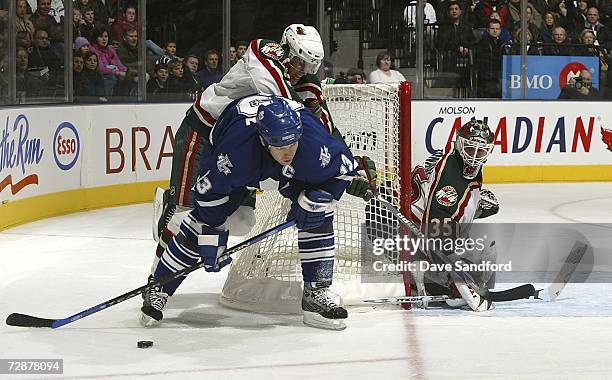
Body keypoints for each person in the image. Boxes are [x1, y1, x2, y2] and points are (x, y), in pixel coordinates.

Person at [148, 24, 375, 290]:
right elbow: (282, 100)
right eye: (299, 62)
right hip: (203, 133)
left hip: (248, 150)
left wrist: (348, 167)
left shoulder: (306, 86)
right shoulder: (263, 51)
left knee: (243, 221)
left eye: (310, 66)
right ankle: (156, 282)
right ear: (285, 50)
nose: (302, 71)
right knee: (185, 215)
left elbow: (324, 130)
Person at [141, 95, 356, 330]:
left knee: (317, 213)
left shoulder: (313, 145)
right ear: (264, 140)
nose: (288, 153)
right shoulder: (235, 154)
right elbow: (207, 194)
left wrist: (319, 199)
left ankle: (316, 293)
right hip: (242, 162)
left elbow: (343, 171)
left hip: (289, 173)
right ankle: (159, 286)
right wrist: (212, 234)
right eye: (280, 147)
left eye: (292, 144)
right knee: (200, 226)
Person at [390, 120, 497, 311]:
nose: (473, 157)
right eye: (470, 149)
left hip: (409, 224)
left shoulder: (456, 163)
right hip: (405, 235)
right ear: (459, 143)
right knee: (486, 255)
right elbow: (436, 235)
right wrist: (465, 288)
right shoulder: (450, 178)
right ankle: (421, 278)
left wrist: (474, 208)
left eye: (479, 152)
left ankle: (424, 275)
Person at [475, 20, 504, 98]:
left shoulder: (503, 44)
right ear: (488, 30)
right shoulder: (482, 43)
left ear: (500, 30)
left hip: (500, 75)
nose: (495, 31)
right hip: (487, 76)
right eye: (492, 28)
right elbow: (481, 60)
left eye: (497, 29)